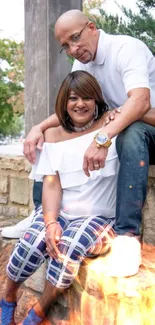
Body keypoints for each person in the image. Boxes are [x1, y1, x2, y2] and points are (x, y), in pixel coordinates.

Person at [1, 70, 138, 325]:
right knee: (32, 243)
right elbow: (51, 184)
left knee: (68, 249)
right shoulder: (52, 136)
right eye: (73, 98)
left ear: (96, 100)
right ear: (64, 102)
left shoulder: (112, 125)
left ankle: (39, 311)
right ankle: (8, 296)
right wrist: (51, 222)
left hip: (99, 218)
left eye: (87, 98)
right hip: (61, 212)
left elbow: (142, 109)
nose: (80, 104)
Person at [4, 9, 155, 239]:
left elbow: (141, 101)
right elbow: (70, 105)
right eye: (65, 46)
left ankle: (127, 235)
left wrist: (102, 138)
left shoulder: (126, 49)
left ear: (92, 28)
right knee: (52, 135)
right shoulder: (83, 61)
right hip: (120, 124)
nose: (73, 49)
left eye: (75, 38)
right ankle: (40, 216)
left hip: (146, 130)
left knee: (131, 133)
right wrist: (40, 128)